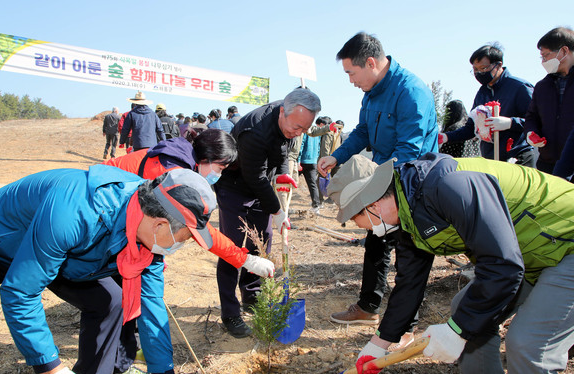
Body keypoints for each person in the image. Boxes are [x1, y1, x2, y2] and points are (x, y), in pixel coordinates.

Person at [330, 152, 574, 374]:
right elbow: (409, 284)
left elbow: (502, 266)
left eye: (357, 221)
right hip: (531, 253)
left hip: (566, 240)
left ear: (372, 205)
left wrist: (458, 330)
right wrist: (379, 344)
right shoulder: (409, 213)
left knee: (529, 344)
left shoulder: (446, 186)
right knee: (465, 307)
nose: (370, 231)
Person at [0, 166, 217, 374]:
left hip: (61, 254)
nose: (180, 245)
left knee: (109, 303)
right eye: (185, 237)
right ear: (160, 223)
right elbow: (20, 291)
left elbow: (151, 303)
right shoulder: (77, 212)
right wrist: (51, 371)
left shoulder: (146, 235)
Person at [317, 32, 438, 340]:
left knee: (410, 256)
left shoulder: (411, 92)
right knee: (375, 243)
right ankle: (368, 307)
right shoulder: (371, 93)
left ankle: (406, 328)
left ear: (370, 63)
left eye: (351, 73)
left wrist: (381, 187)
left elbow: (409, 151)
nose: (350, 81)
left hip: (411, 185)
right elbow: (362, 132)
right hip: (383, 181)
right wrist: (337, 155)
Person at [214, 87, 321, 337]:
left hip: (260, 185)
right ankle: (230, 313)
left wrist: (283, 171)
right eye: (296, 126)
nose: (298, 133)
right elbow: (255, 178)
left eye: (303, 130)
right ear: (282, 111)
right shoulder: (255, 131)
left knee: (261, 242)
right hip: (236, 187)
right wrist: (277, 211)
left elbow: (285, 148)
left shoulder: (293, 119)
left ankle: (253, 297)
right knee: (232, 250)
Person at [102, 130, 275, 280]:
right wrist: (245, 260)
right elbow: (202, 230)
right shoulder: (172, 175)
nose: (218, 175)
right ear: (206, 158)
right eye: (220, 168)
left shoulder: (182, 160)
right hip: (103, 211)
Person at [439, 44, 534, 165]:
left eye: (483, 68)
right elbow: (471, 128)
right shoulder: (482, 93)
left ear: (498, 65)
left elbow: (537, 122)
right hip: (491, 158)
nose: (479, 73)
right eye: (475, 70)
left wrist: (510, 123)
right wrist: (446, 137)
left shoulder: (520, 87)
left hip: (516, 157)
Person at [523, 27, 574, 174]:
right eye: (541, 58)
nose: (543, 62)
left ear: (564, 51)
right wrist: (531, 133)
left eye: (546, 56)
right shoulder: (542, 86)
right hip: (548, 164)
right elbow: (532, 116)